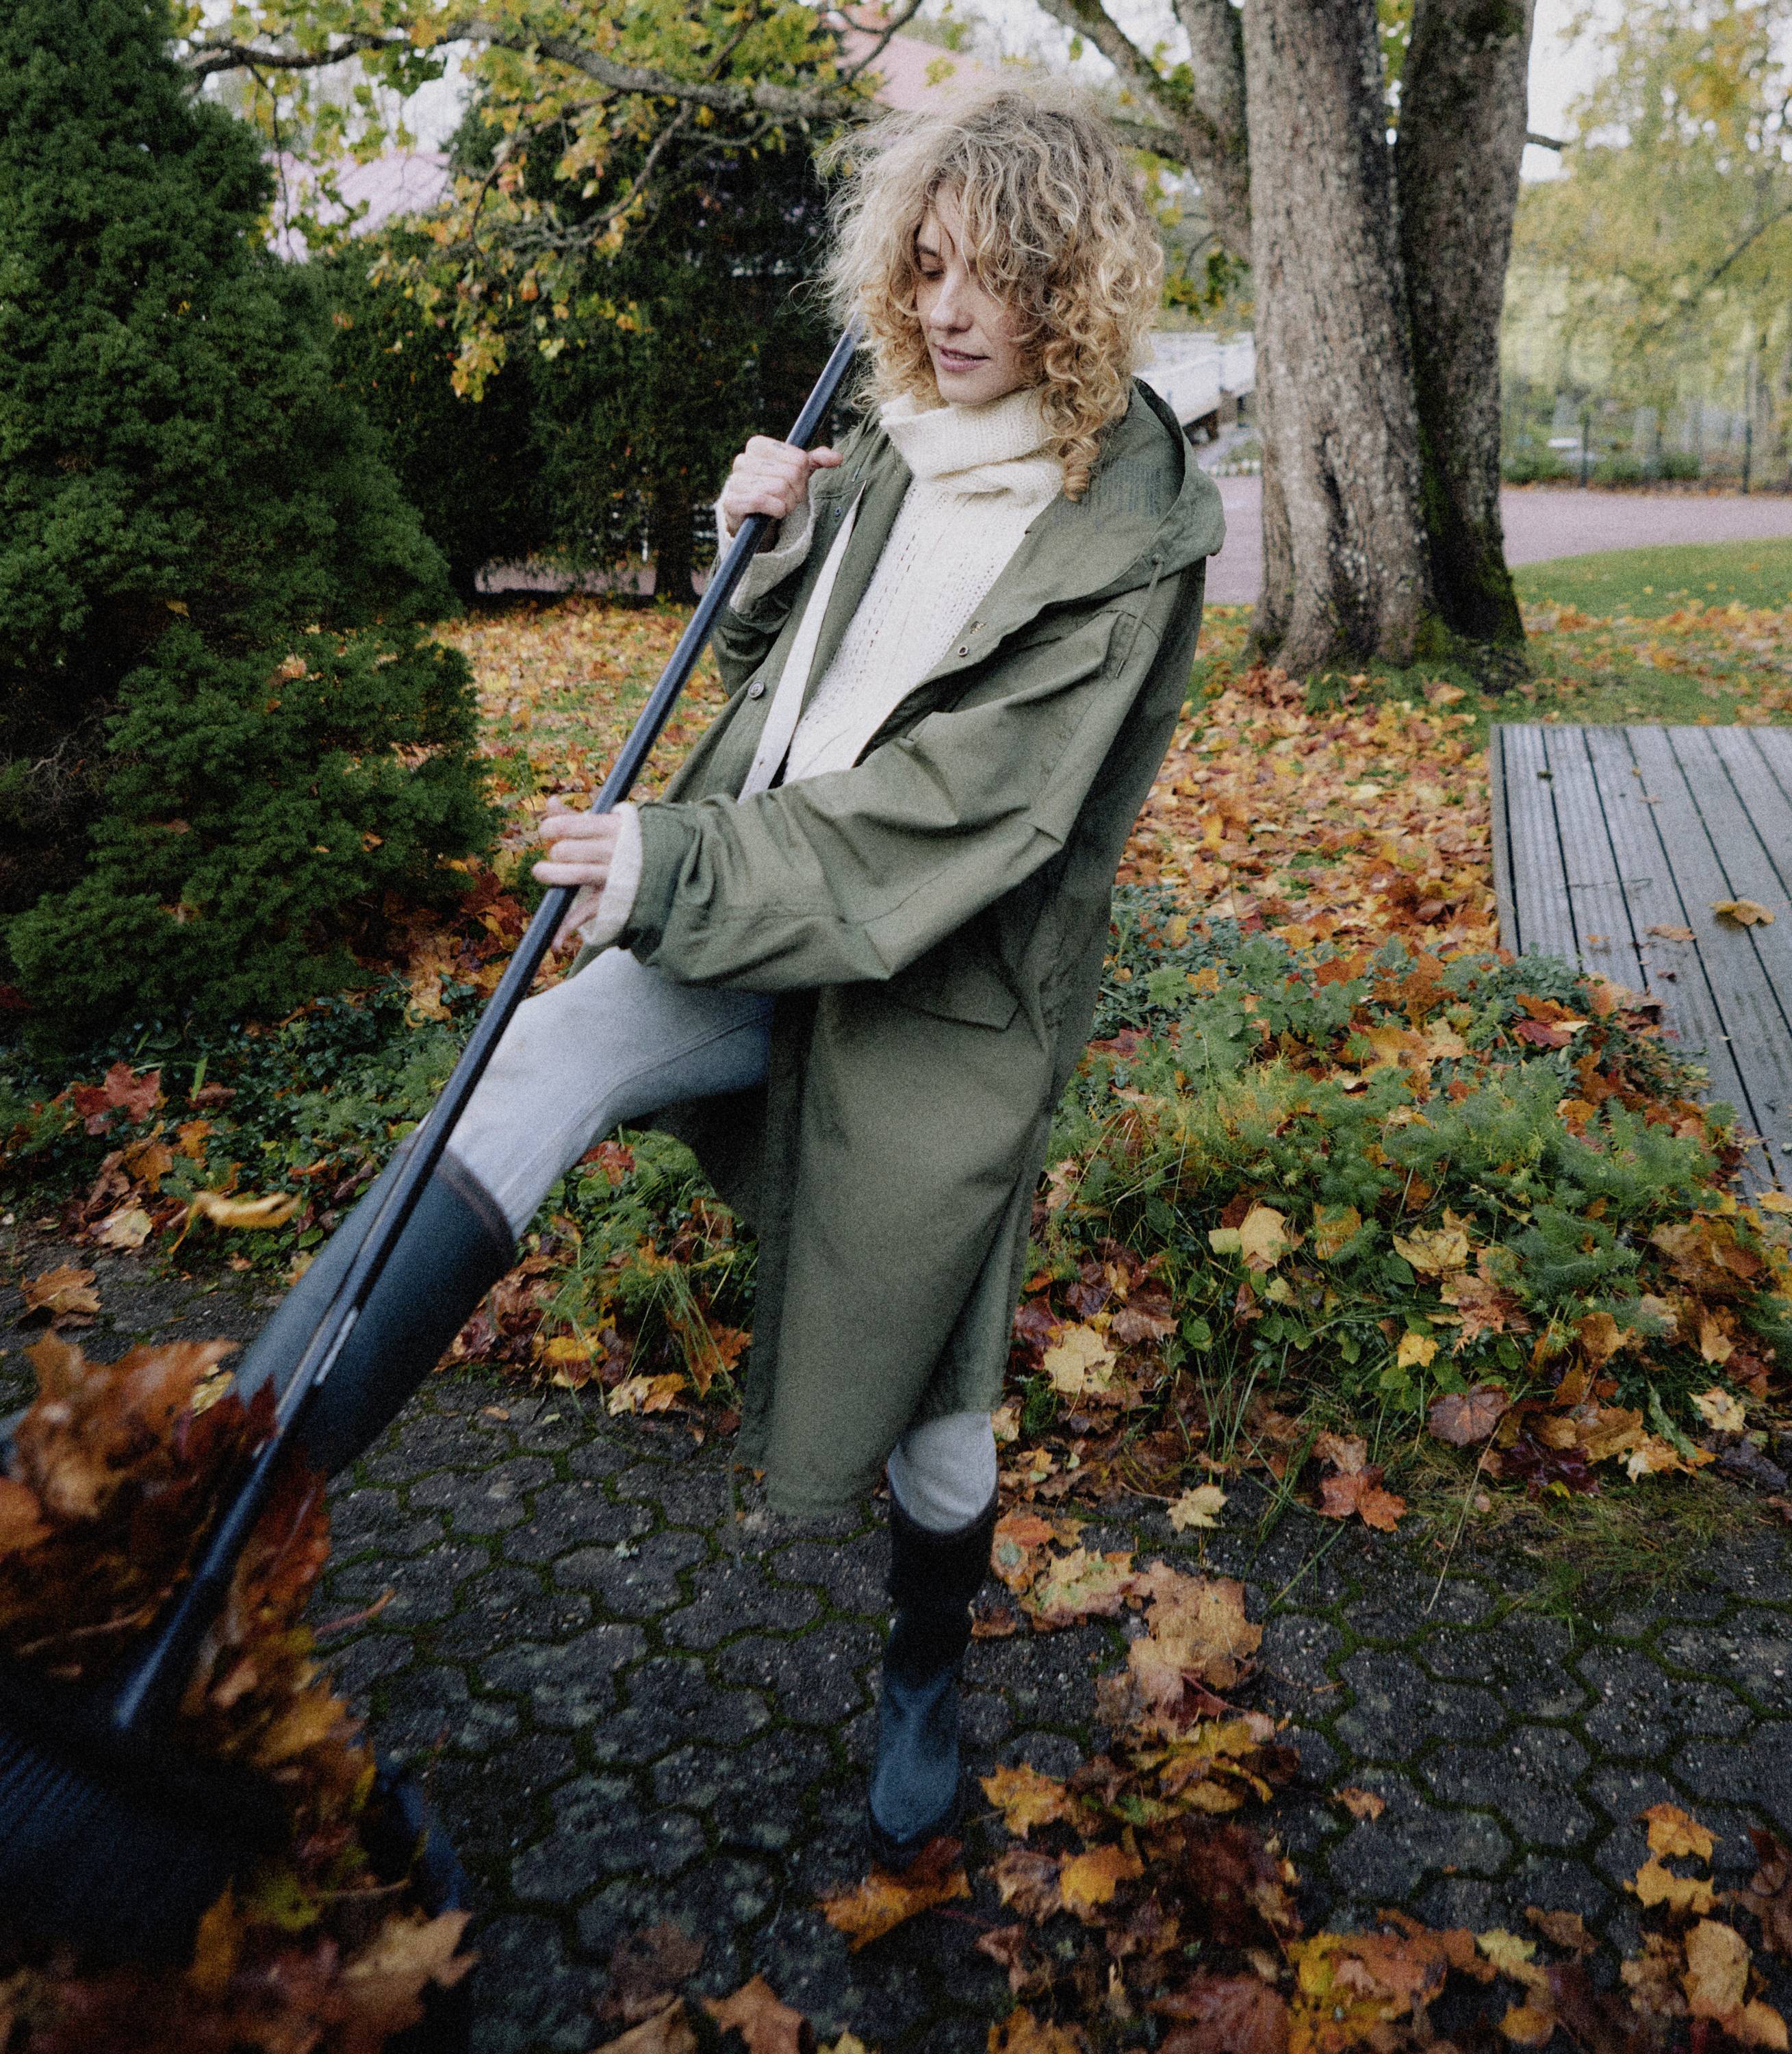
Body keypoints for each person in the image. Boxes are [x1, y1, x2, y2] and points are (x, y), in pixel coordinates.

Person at [232, 86, 1224, 1868]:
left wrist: (673, 862)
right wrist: (752, 548)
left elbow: (959, 810)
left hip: (938, 996)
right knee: (534, 1061)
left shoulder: (1127, 530)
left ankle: (927, 1660)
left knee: (935, 1399)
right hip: (766, 925)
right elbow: (794, 684)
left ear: (1079, 284)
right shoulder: (903, 435)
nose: (948, 310)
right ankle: (236, 1491)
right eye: (926, 264)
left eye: (997, 275)